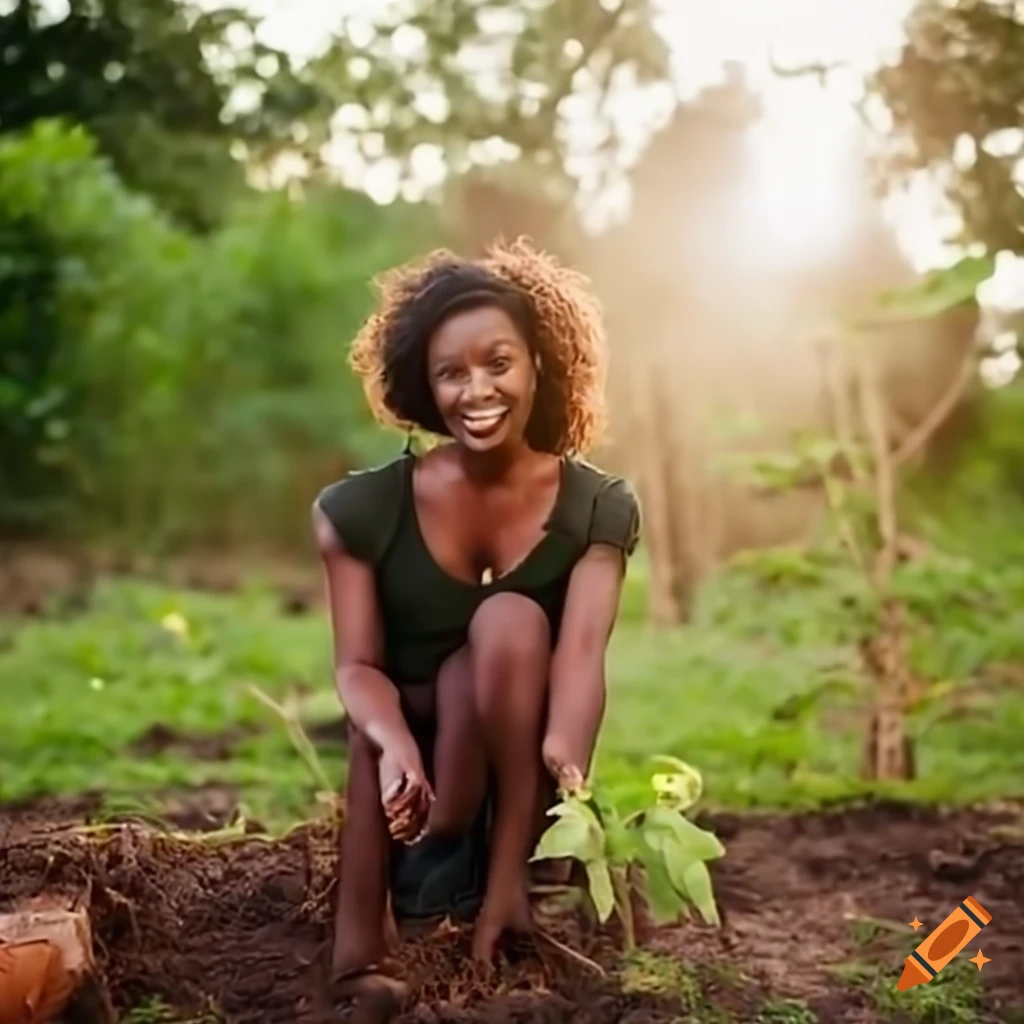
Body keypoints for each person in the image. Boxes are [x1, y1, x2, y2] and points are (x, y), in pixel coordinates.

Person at [312, 237, 640, 995]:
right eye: (450, 373)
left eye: (499, 363)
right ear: (424, 388)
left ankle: (507, 892)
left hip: (520, 765)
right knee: (382, 728)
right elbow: (358, 666)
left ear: (538, 366)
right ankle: (362, 957)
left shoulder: (597, 508)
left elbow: (583, 650)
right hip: (414, 771)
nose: (477, 390)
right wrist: (395, 744)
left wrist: (569, 760)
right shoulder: (363, 510)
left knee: (509, 625)